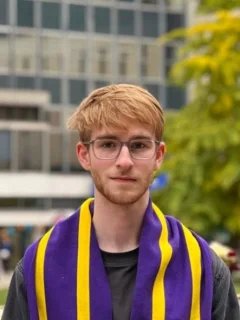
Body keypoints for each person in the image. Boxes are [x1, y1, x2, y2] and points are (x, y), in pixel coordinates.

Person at [2, 84, 239, 320]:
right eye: (108, 144)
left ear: (159, 155)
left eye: (139, 145)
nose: (124, 161)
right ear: (84, 155)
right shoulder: (38, 269)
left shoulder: (203, 268)